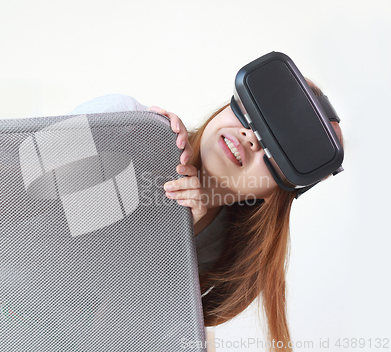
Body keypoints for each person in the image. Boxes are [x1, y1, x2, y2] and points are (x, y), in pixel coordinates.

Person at [66, 81, 344, 352]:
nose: (252, 136)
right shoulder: (119, 120)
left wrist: (174, 241)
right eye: (255, 110)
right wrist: (130, 148)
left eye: (282, 149)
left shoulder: (225, 252)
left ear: (277, 192)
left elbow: (105, 333)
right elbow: (25, 204)